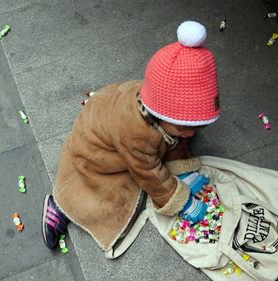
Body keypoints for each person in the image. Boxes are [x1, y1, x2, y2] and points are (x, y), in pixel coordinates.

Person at [42, 20, 220, 251]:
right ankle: (60, 205)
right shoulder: (138, 132)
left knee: (168, 146)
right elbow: (149, 172)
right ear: (159, 115)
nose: (190, 133)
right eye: (182, 127)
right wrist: (182, 200)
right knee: (101, 196)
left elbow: (176, 138)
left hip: (111, 119)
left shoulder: (160, 100)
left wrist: (183, 172)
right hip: (94, 153)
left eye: (197, 125)